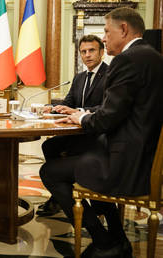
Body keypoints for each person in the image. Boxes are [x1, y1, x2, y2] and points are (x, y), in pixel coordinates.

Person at [40, 7, 163, 257]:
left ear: (124, 29)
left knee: (50, 171)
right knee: (70, 152)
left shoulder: (127, 60)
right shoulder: (152, 56)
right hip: (143, 156)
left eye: (107, 31)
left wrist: (82, 116)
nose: (105, 38)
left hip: (126, 163)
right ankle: (117, 237)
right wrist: (81, 114)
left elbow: (105, 119)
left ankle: (104, 241)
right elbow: (123, 111)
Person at [37, 35, 108, 217]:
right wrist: (52, 108)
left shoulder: (110, 75)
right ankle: (60, 195)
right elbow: (68, 102)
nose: (87, 55)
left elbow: (104, 108)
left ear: (101, 52)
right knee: (49, 145)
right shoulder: (79, 77)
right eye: (83, 52)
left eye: (91, 50)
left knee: (54, 160)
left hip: (96, 135)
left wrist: (77, 110)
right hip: (78, 133)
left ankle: (63, 194)